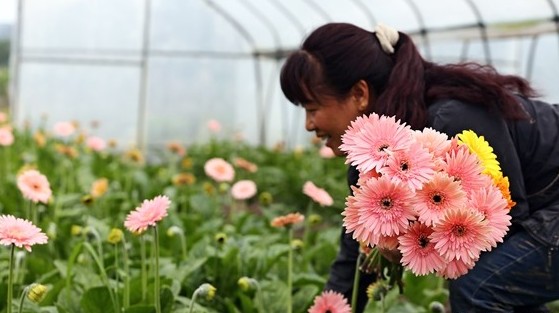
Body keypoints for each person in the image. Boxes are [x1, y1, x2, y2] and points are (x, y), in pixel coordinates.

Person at [279, 22, 559, 313]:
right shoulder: (373, 158)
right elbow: (356, 258)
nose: (308, 124)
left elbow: (505, 217)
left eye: (312, 109)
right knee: (488, 284)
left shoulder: (450, 121)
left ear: (359, 94)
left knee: (478, 287)